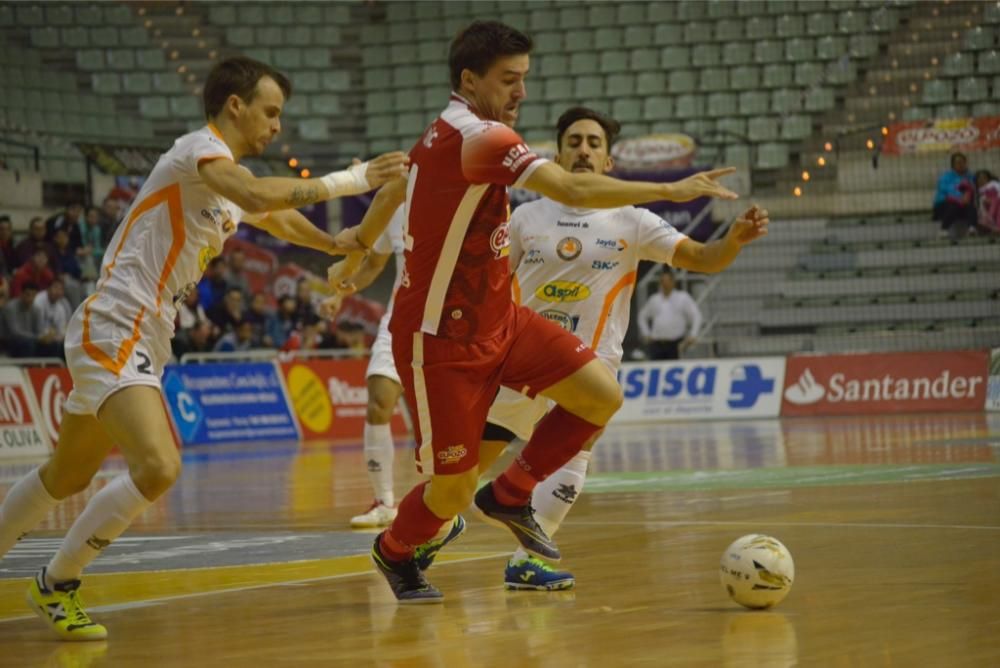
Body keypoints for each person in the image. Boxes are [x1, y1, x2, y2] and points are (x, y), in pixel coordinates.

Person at [328, 21, 740, 603]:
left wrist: (359, 240)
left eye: (525, 78)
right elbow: (571, 191)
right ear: (470, 80)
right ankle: (395, 552)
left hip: (502, 322)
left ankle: (512, 492)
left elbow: (398, 188)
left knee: (601, 395)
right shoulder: (479, 137)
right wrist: (672, 190)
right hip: (440, 340)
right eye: (509, 80)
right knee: (449, 489)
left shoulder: (448, 135)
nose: (521, 91)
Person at [0, 56, 408, 641]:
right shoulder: (197, 152)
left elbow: (276, 216)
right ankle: (57, 580)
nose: (276, 126)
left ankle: (52, 582)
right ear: (235, 105)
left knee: (67, 473)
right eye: (270, 112)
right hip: (118, 321)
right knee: (159, 466)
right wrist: (354, 179)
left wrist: (334, 243)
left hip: (148, 331)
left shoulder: (226, 185)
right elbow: (253, 190)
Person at [475, 107, 767, 589]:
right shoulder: (526, 215)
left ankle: (527, 560)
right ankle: (422, 538)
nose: (583, 149)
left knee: (580, 445)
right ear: (557, 154)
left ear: (608, 162)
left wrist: (733, 240)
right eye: (574, 141)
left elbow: (702, 259)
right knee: (464, 473)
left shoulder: (633, 221)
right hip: (518, 362)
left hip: (587, 371)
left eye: (593, 142)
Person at [332, 206, 407, 528]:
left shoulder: (460, 199)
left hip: (448, 325)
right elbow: (376, 262)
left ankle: (443, 500)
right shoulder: (397, 207)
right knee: (378, 404)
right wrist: (341, 292)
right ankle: (384, 502)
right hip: (400, 321)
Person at [638, 268, 703, 360]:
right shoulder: (654, 299)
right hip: (657, 344)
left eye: (667, 281)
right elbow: (642, 316)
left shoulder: (682, 298)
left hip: (675, 343)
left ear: (673, 282)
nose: (665, 284)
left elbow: (696, 315)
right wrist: (646, 333)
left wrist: (693, 335)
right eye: (663, 281)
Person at [932, 152, 976, 240]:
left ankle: (972, 229)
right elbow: (946, 190)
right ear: (953, 165)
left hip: (963, 205)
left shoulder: (970, 176)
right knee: (954, 206)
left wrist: (966, 198)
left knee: (971, 207)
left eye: (962, 162)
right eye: (957, 162)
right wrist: (961, 197)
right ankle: (943, 230)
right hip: (944, 205)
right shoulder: (945, 177)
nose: (960, 165)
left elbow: (973, 190)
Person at [1, 281, 43, 357]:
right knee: (28, 343)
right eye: (28, 294)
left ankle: (48, 367)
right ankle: (28, 366)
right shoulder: (10, 308)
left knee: (52, 344)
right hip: (9, 341)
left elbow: (39, 331)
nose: (30, 298)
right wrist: (37, 337)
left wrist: (46, 336)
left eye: (33, 295)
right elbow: (14, 332)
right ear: (21, 294)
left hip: (30, 340)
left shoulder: (37, 309)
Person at [975, 169, 1000, 234]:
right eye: (979, 178)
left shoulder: (993, 185)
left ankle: (996, 226)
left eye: (984, 178)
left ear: (988, 179)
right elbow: (980, 205)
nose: (981, 180)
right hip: (984, 212)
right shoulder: (978, 191)